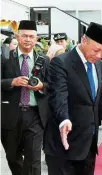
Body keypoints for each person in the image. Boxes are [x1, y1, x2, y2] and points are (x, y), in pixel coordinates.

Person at [43, 22, 102, 174]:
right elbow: (58, 95)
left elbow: (101, 97)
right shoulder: (62, 62)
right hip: (64, 146)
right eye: (96, 50)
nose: (99, 56)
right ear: (84, 40)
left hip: (88, 144)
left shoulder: (100, 65)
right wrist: (64, 119)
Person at [1, 20, 50, 175]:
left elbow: (53, 85)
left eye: (31, 36)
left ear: (36, 39)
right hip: (10, 115)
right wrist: (12, 82)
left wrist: (41, 86)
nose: (28, 39)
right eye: (24, 36)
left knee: (34, 160)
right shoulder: (5, 58)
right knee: (12, 156)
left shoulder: (44, 60)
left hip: (35, 115)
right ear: (17, 36)